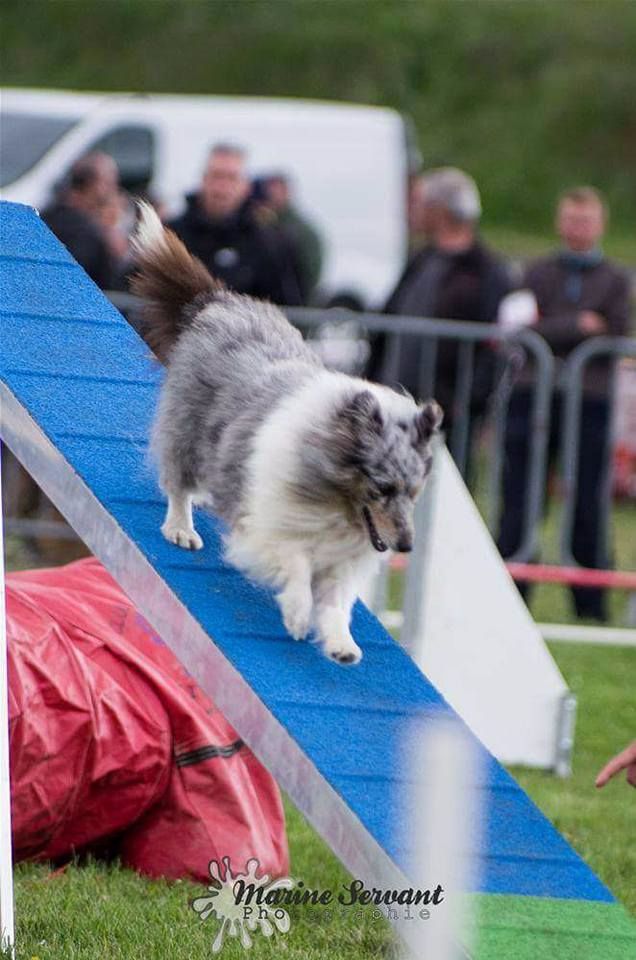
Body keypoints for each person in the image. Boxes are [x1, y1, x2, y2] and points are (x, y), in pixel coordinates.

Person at [498, 187, 631, 621]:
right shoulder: (536, 271)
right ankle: (508, 596)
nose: (578, 228)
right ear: (560, 223)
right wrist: (578, 325)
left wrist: (553, 329)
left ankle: (590, 605)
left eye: (586, 220)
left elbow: (614, 333)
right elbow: (523, 328)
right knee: (519, 499)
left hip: (588, 402)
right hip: (531, 397)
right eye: (571, 219)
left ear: (600, 225)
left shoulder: (615, 280)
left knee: (588, 501)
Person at [366, 167, 512, 464]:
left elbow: (495, 343)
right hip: (396, 402)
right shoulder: (421, 259)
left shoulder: (486, 271)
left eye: (420, 202)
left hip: (447, 413)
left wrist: (468, 401)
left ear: (440, 209)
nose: (413, 211)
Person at [168, 144, 302, 305]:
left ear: (246, 186)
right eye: (216, 176)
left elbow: (291, 308)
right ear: (203, 179)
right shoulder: (172, 234)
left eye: (231, 178)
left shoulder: (271, 242)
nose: (222, 187)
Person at [42, 152, 122, 289]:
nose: (115, 192)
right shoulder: (87, 231)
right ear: (95, 186)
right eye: (110, 184)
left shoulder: (46, 215)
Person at [252, 172, 324, 302]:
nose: (270, 196)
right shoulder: (261, 225)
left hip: (296, 305)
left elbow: (310, 274)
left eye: (274, 190)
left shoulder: (300, 230)